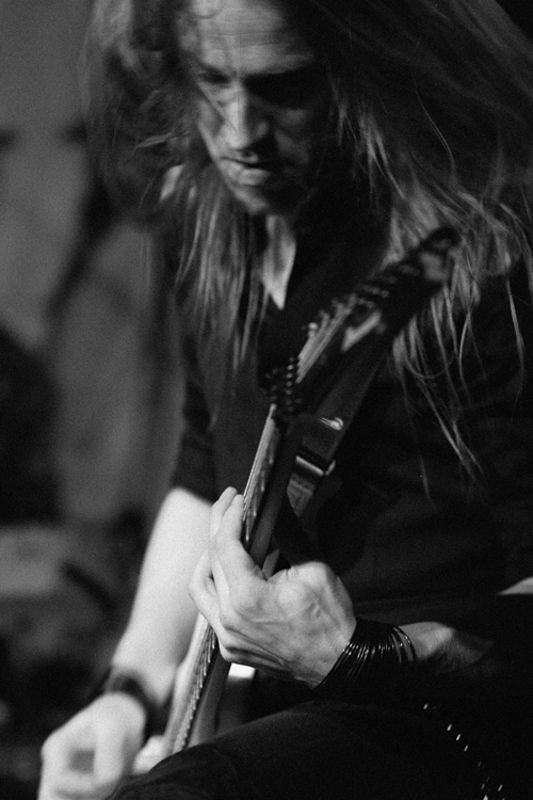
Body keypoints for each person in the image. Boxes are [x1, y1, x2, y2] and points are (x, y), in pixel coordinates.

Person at [38, 0, 533, 798]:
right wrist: (129, 690)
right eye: (213, 80)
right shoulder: (204, 216)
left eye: (285, 86)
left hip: (443, 722)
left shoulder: (482, 259)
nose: (241, 135)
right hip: (259, 715)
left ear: (362, 70)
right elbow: (208, 464)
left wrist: (359, 652)